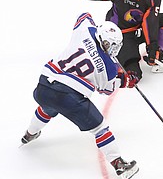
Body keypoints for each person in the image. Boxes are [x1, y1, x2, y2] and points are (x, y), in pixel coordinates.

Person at [21, 12, 140, 179]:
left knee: (47, 107)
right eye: (113, 45)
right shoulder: (109, 69)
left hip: (43, 86)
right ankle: (119, 164)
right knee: (100, 129)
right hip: (69, 98)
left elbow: (84, 16)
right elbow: (107, 89)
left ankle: (29, 134)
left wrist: (95, 26)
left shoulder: (85, 30)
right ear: (107, 42)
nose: (114, 50)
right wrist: (125, 80)